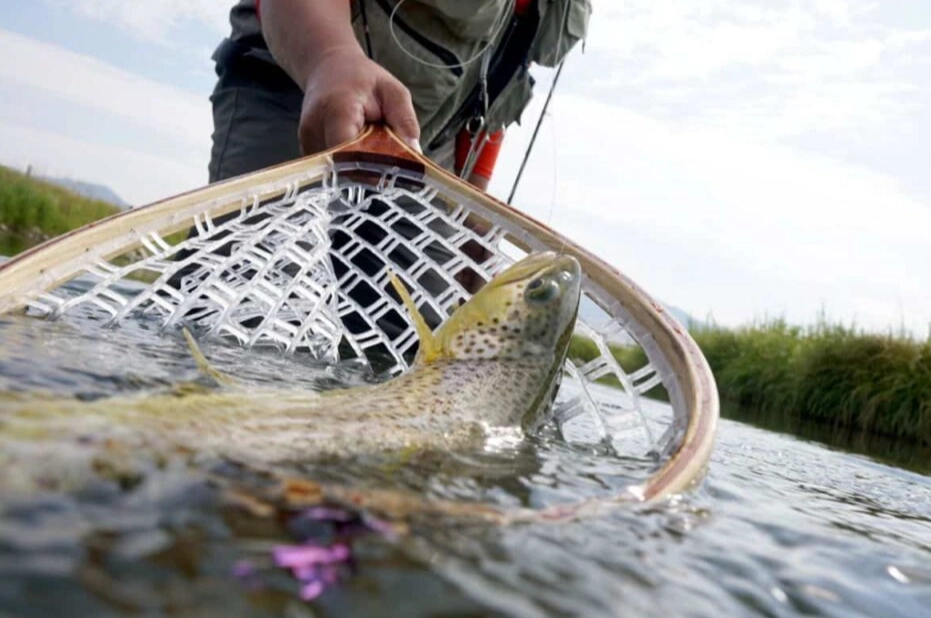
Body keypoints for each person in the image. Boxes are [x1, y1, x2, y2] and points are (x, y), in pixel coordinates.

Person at [209, 0, 591, 190]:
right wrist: (329, 56)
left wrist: (474, 211)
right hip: (296, 88)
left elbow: (499, 83)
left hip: (419, 154)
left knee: (422, 310)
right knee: (253, 290)